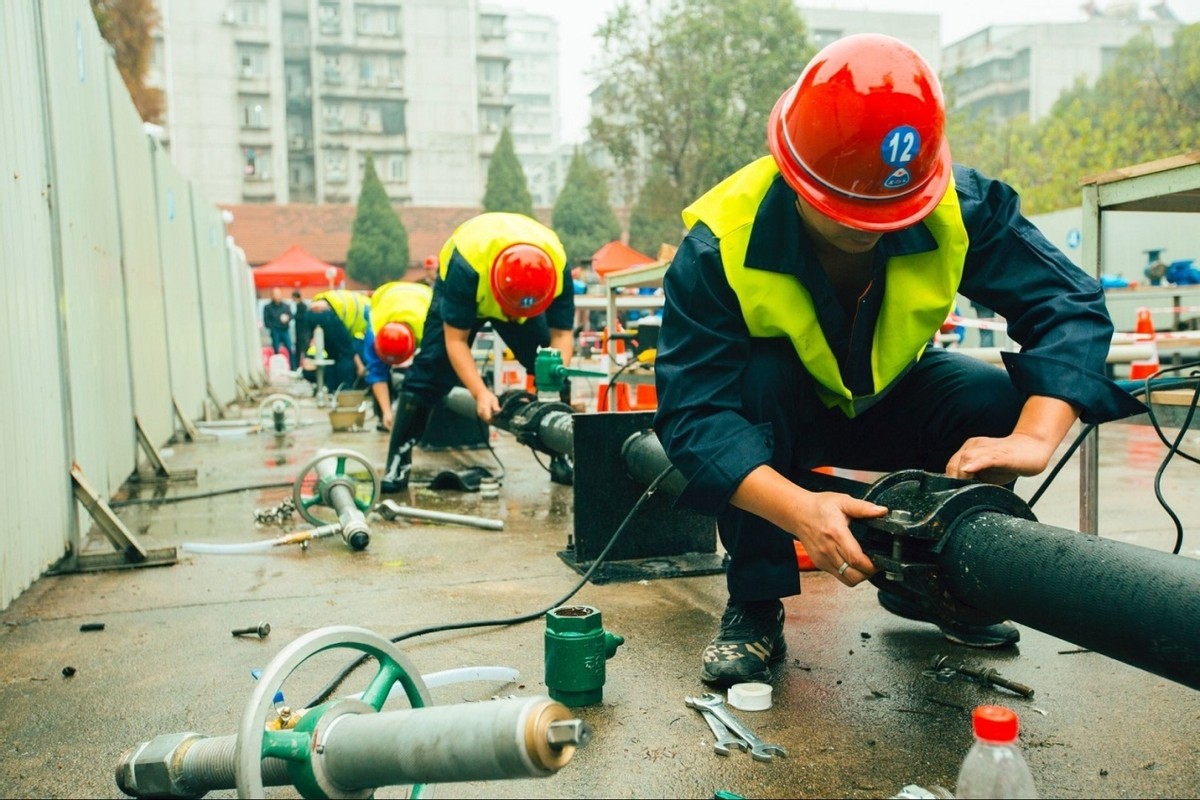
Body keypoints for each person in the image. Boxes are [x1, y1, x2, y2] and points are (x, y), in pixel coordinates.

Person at [652, 34, 1146, 688]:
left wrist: (1033, 435)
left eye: (891, 213)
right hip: (778, 417)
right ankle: (755, 603)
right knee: (754, 383)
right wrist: (800, 512)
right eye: (850, 214)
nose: (871, 229)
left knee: (994, 401)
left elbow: (1067, 301)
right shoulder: (721, 244)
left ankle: (939, 581)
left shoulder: (957, 207)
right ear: (795, 175)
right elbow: (695, 414)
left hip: (891, 396)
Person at [381, 212, 576, 493]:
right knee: (429, 370)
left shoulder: (556, 267)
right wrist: (481, 394)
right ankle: (398, 461)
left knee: (550, 363)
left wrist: (552, 378)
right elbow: (455, 341)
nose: (510, 321)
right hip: (469, 279)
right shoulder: (466, 267)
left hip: (522, 288)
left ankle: (562, 453)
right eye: (509, 314)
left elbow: (561, 335)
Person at [363, 280, 433, 431]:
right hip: (386, 295)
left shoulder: (430, 326)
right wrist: (387, 413)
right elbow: (377, 374)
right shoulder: (373, 332)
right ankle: (382, 416)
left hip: (422, 296)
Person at [302, 294, 366, 393]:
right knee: (345, 356)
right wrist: (360, 366)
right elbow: (348, 347)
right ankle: (343, 390)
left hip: (313, 311)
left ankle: (332, 390)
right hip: (328, 314)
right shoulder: (367, 314)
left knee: (333, 356)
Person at [262, 288, 293, 362]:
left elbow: (291, 315)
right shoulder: (268, 307)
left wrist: (287, 318)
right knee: (276, 349)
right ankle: (277, 366)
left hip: (285, 330)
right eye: (276, 295)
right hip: (275, 330)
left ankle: (292, 366)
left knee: (290, 348)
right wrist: (273, 326)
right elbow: (266, 320)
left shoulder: (286, 306)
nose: (278, 297)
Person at [292, 290, 311, 370]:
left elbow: (302, 317)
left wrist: (294, 316)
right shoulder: (300, 306)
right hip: (300, 332)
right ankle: (299, 366)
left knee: (303, 350)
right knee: (300, 350)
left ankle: (304, 366)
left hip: (303, 333)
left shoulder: (302, 306)